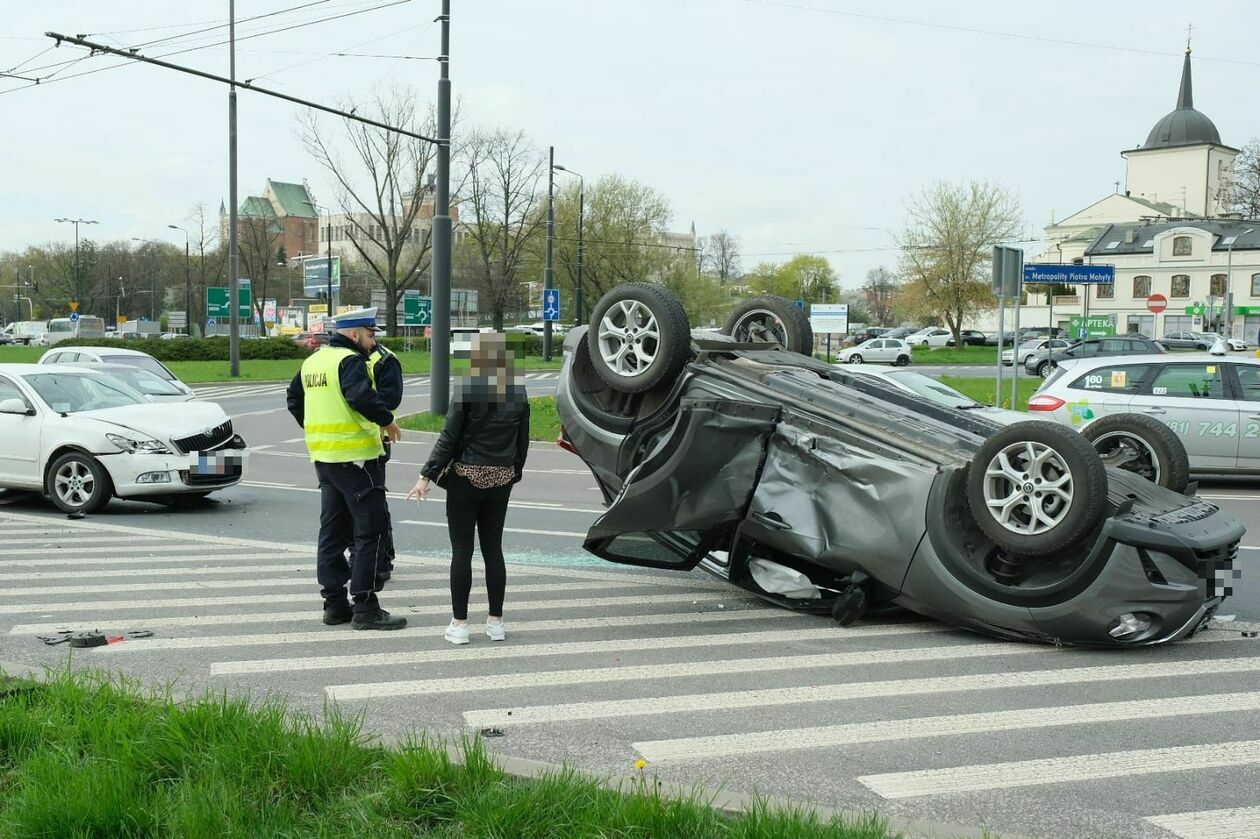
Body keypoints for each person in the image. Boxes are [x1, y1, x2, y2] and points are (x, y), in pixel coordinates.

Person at [286, 307, 406, 630]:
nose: (372, 342)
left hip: (324, 461)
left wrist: (314, 428)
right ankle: (366, 606)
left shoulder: (313, 362)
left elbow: (293, 399)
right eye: (369, 335)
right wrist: (387, 420)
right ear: (354, 334)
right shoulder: (349, 361)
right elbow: (359, 396)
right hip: (358, 460)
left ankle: (335, 605)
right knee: (370, 532)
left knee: (332, 534)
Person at [407, 333, 530, 645]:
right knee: (494, 550)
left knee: (462, 550)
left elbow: (449, 437)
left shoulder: (468, 391)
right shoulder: (518, 394)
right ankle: (496, 622)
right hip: (501, 478)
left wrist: (426, 476)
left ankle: (460, 625)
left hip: (465, 476)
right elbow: (522, 443)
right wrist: (512, 473)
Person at [366, 333, 404, 582]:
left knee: (373, 505)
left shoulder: (384, 360)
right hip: (337, 446)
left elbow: (390, 399)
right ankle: (362, 557)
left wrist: (359, 402)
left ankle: (381, 559)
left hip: (374, 442)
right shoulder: (337, 358)